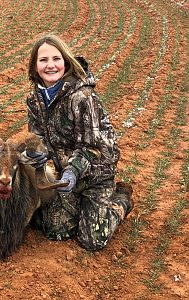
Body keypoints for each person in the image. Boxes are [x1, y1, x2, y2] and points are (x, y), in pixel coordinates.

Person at [25, 34, 133, 251]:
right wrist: (37, 153)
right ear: (35, 66)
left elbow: (93, 148)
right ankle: (79, 203)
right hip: (65, 176)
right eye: (43, 60)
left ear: (66, 61)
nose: (50, 65)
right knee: (56, 231)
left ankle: (121, 199)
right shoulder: (34, 99)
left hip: (96, 174)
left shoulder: (83, 97)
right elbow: (39, 137)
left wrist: (73, 171)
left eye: (56, 59)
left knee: (91, 240)